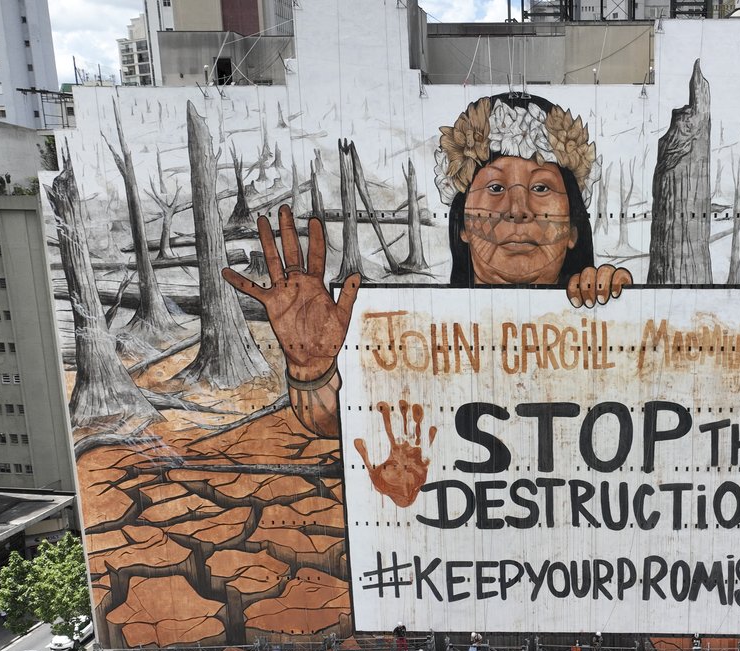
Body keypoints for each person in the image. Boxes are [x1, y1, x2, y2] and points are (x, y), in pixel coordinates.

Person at [220, 93, 631, 445]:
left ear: (573, 229)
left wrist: (620, 313)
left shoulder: (610, 325)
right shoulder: (418, 337)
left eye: (541, 187)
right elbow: (341, 422)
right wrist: (311, 368)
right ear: (463, 225)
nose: (518, 209)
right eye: (495, 187)